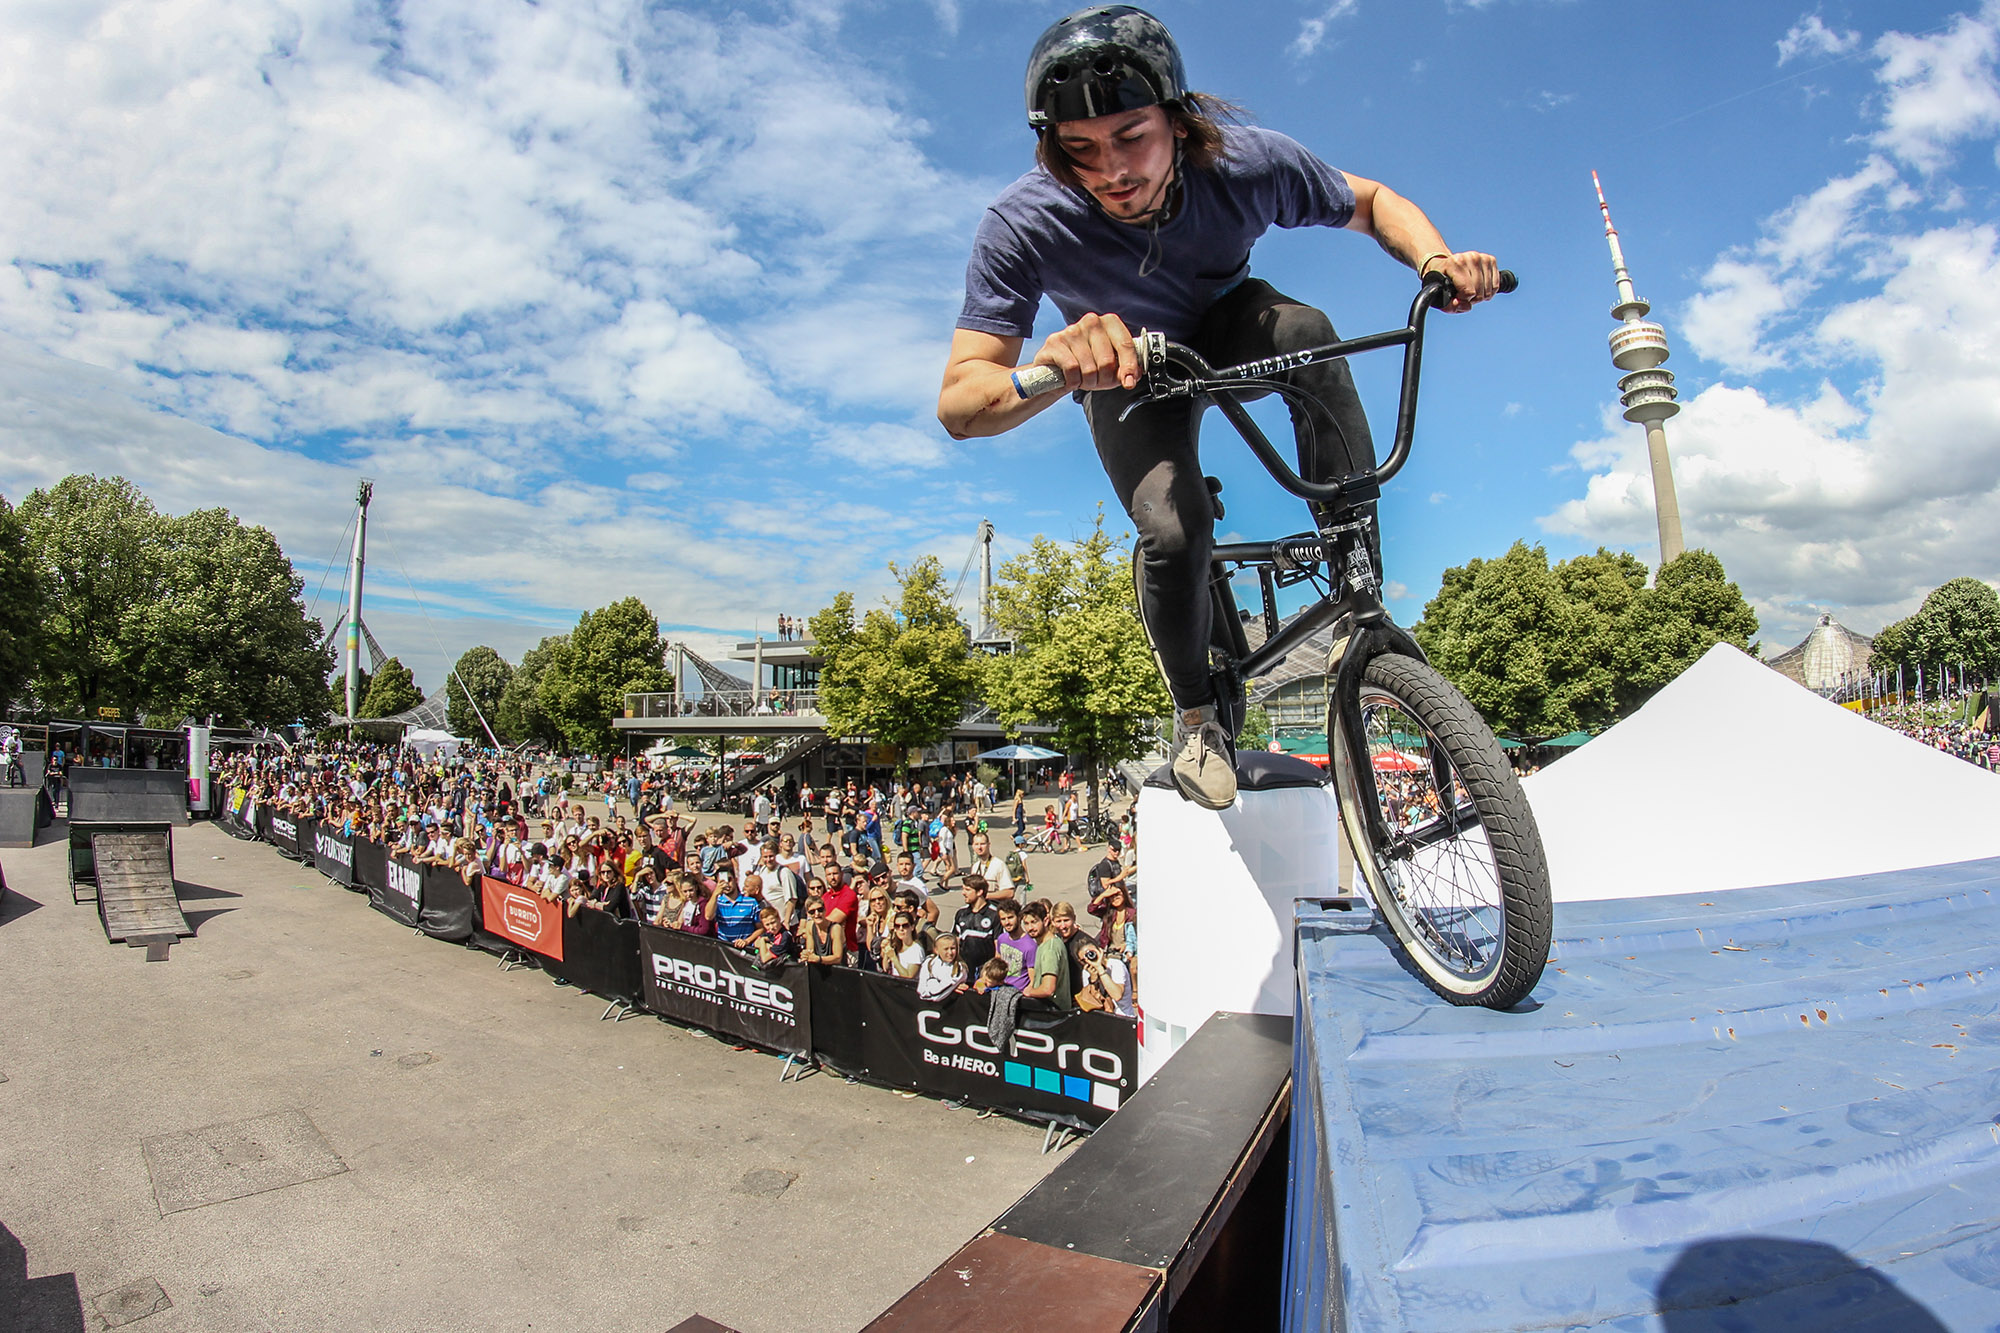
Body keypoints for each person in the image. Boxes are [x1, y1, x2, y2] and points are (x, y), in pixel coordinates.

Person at [937, 5, 1501, 811]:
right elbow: (961, 401)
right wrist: (1052, 371)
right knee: (1175, 526)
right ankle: (1198, 716)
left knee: (1306, 333)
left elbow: (1373, 201)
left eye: (1131, 136)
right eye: (1081, 150)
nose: (1112, 171)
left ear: (1179, 119)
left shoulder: (1244, 164)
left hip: (1230, 327)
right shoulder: (1023, 222)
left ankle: (1356, 580)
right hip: (1125, 374)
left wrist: (1436, 259)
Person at [1021, 899, 1075, 1011]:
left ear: (1045, 921)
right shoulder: (1046, 944)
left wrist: (1029, 992)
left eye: (1034, 922)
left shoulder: (1050, 949)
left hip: (1052, 1013)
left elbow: (1048, 989)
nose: (1030, 928)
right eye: (1026, 923)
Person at [952, 873, 1002, 976]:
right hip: (964, 971)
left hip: (985, 973)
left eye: (967, 890)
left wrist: (992, 973)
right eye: (963, 889)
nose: (963, 893)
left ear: (979, 892)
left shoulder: (994, 914)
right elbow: (955, 941)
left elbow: (998, 946)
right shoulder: (961, 913)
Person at [918, 933, 969, 1001]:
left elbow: (937, 997)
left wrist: (930, 982)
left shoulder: (959, 969)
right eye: (946, 949)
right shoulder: (929, 962)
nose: (950, 952)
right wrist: (932, 982)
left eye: (952, 948)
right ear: (936, 950)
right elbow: (921, 990)